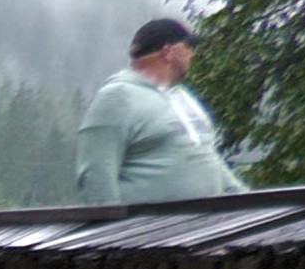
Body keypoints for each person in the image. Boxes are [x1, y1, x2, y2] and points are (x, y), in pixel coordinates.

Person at [76, 18, 244, 205]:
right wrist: (113, 229)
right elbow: (96, 174)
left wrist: (242, 197)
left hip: (205, 228)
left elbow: (206, 154)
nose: (192, 54)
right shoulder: (117, 96)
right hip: (151, 231)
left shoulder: (182, 95)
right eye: (188, 47)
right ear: (168, 51)